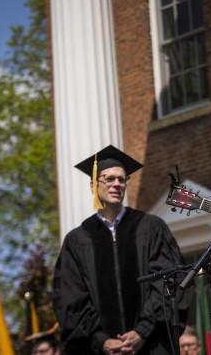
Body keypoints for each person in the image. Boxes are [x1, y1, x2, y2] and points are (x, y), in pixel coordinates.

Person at [53, 145, 190, 354]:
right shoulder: (77, 240)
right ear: (93, 186)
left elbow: (169, 282)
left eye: (121, 179)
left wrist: (142, 331)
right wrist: (101, 341)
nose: (116, 184)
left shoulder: (151, 228)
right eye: (109, 179)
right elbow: (71, 300)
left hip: (149, 345)